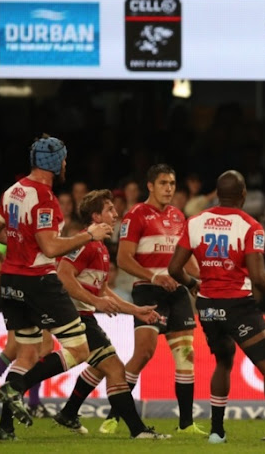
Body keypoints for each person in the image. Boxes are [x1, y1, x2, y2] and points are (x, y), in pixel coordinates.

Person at [168, 170, 265, 445]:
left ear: (219, 194)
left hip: (207, 307)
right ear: (243, 195)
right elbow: (258, 277)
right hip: (237, 305)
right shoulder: (250, 226)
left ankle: (216, 432)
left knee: (223, 361)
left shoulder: (195, 222)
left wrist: (193, 283)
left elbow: (174, 268)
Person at [0, 135, 113, 440]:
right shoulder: (44, 197)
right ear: (54, 162)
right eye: (64, 158)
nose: (66, 163)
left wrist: (21, 244)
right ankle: (15, 388)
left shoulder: (13, 191)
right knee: (79, 349)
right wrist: (89, 235)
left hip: (11, 280)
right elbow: (51, 247)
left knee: (25, 354)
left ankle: (4, 428)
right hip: (37, 281)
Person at [53, 189, 168, 439]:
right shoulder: (86, 243)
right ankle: (138, 431)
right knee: (115, 368)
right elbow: (63, 275)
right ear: (96, 216)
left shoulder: (101, 248)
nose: (116, 214)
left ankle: (68, 412)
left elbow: (104, 290)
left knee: (99, 367)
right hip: (75, 317)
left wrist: (135, 310)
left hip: (85, 315)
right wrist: (96, 301)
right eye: (110, 210)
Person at [102, 164, 205, 436]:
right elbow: (123, 259)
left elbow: (187, 259)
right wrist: (154, 277)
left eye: (172, 183)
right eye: (163, 183)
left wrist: (204, 277)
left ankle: (186, 424)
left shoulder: (178, 216)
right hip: (148, 291)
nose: (169, 188)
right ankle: (114, 416)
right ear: (150, 186)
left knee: (186, 356)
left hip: (177, 292)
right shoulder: (135, 215)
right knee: (144, 353)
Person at [0, 240, 55, 419]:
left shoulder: (23, 224)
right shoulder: (15, 228)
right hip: (29, 292)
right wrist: (14, 277)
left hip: (29, 290)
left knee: (15, 349)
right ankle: (33, 403)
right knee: (41, 348)